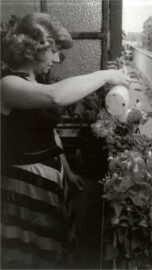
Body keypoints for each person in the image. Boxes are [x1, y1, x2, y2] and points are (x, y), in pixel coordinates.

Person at [0, 12, 129, 268]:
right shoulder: (7, 84)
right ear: (33, 49)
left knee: (53, 244)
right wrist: (104, 76)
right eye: (55, 51)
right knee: (35, 252)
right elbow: (55, 97)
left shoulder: (34, 81)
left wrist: (67, 172)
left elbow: (48, 131)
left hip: (50, 176)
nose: (58, 59)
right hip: (26, 182)